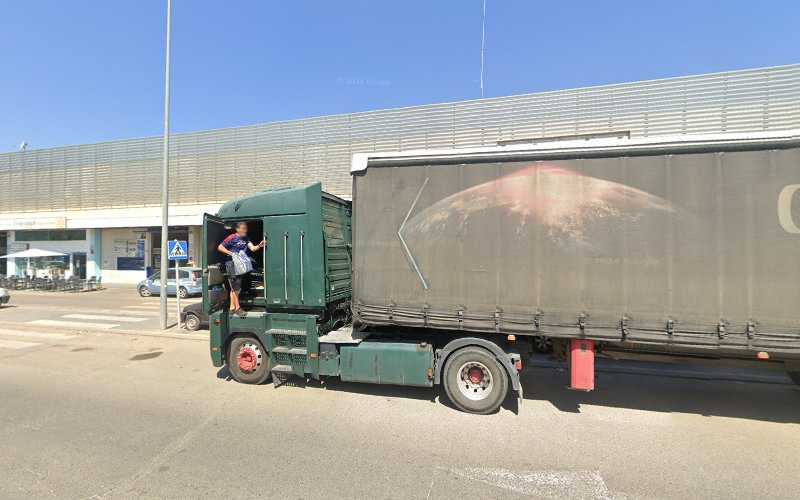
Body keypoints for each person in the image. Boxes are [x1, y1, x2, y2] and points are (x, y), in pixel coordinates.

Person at [217, 222, 266, 317]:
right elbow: (220, 247)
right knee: (236, 287)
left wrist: (259, 245)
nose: (245, 230)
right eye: (243, 228)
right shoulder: (232, 237)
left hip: (240, 264)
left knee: (234, 286)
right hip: (231, 264)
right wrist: (231, 253)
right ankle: (238, 308)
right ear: (237, 229)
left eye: (246, 228)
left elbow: (253, 249)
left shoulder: (246, 239)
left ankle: (231, 307)